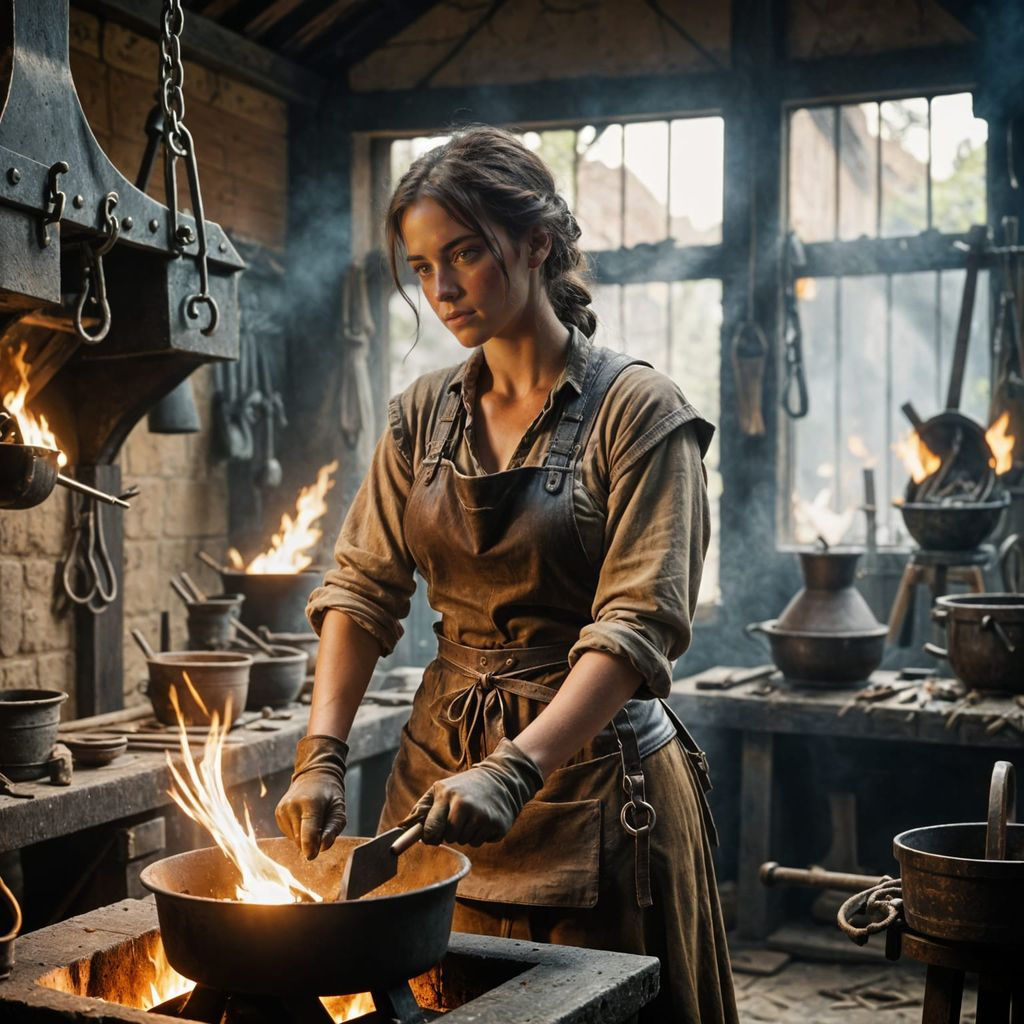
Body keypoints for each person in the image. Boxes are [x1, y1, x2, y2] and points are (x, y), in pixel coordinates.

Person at [276, 125, 737, 1023]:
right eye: (420, 268)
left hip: (593, 788)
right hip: (437, 779)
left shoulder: (638, 411)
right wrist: (320, 757)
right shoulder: (421, 417)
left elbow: (638, 625)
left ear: (538, 244)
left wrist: (518, 770)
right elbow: (363, 589)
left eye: (466, 254)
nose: (441, 289)